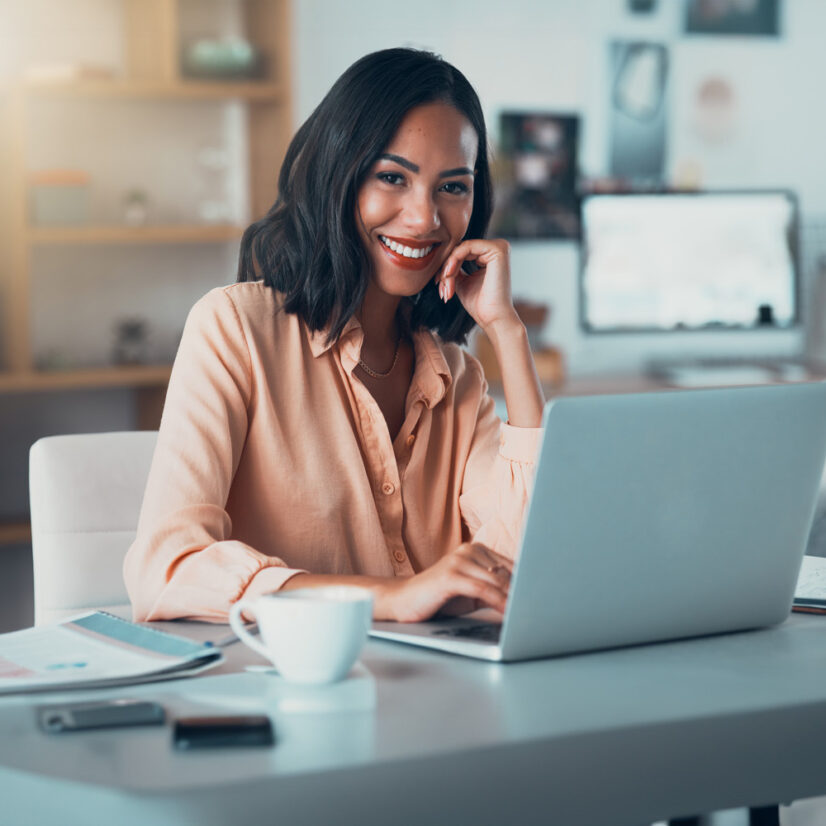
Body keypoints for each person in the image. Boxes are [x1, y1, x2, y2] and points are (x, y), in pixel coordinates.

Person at [124, 47, 545, 624]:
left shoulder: (458, 379)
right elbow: (166, 571)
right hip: (282, 694)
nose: (424, 218)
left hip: (441, 694)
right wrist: (391, 598)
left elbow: (525, 565)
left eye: (453, 187)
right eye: (392, 177)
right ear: (338, 176)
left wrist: (508, 332)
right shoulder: (234, 331)